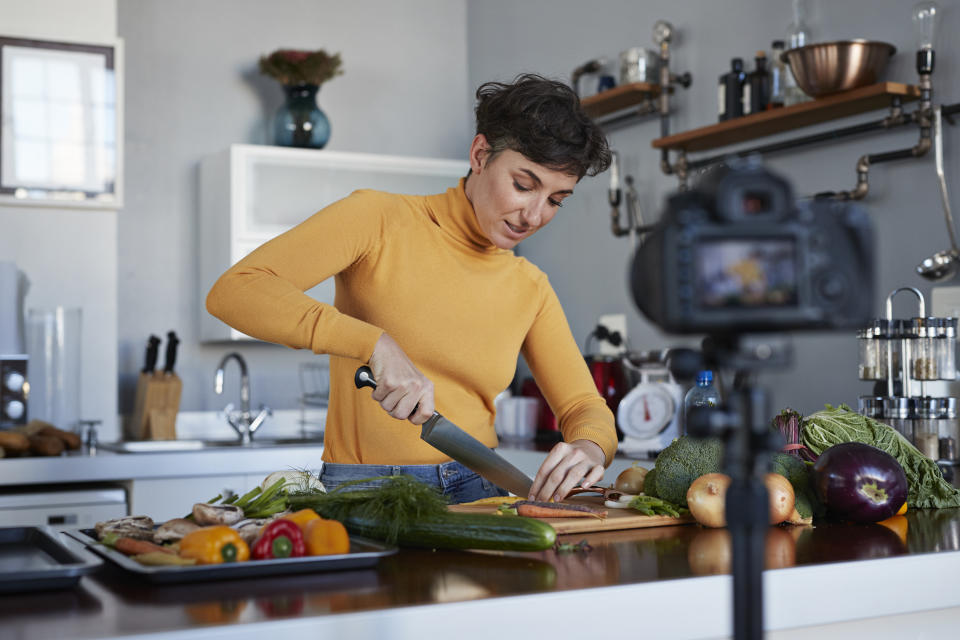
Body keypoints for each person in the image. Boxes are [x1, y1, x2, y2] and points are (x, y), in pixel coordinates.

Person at [206, 73, 617, 503]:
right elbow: (236, 290)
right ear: (480, 155)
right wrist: (374, 343)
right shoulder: (378, 219)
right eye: (524, 185)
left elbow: (583, 407)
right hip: (367, 493)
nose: (533, 215)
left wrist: (589, 446)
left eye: (555, 200)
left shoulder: (530, 286)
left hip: (483, 490)